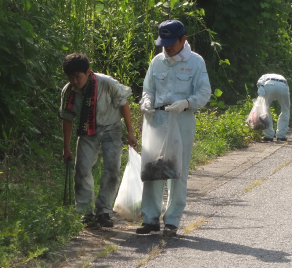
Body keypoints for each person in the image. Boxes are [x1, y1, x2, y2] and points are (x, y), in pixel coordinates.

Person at [137, 20, 211, 237]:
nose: (167, 47)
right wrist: (147, 103)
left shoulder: (196, 62)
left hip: (181, 121)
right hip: (156, 120)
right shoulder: (157, 61)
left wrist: (186, 103)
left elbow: (204, 93)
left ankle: (172, 220)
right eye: (163, 42)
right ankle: (150, 219)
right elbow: (148, 88)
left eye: (171, 42)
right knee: (152, 168)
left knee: (177, 171)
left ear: (183, 39)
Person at [60, 52, 137, 227]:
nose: (75, 82)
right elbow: (67, 118)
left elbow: (123, 103)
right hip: (87, 131)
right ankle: (86, 213)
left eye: (78, 77)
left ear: (88, 72)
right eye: (71, 78)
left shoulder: (106, 83)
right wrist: (66, 147)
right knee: (82, 170)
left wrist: (130, 132)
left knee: (111, 169)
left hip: (112, 128)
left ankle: (104, 211)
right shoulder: (69, 91)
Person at [256, 74, 290, 142]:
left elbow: (259, 84)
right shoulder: (281, 77)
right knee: (285, 110)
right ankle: (281, 136)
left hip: (269, 84)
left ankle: (269, 136)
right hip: (283, 85)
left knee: (264, 109)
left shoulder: (264, 76)